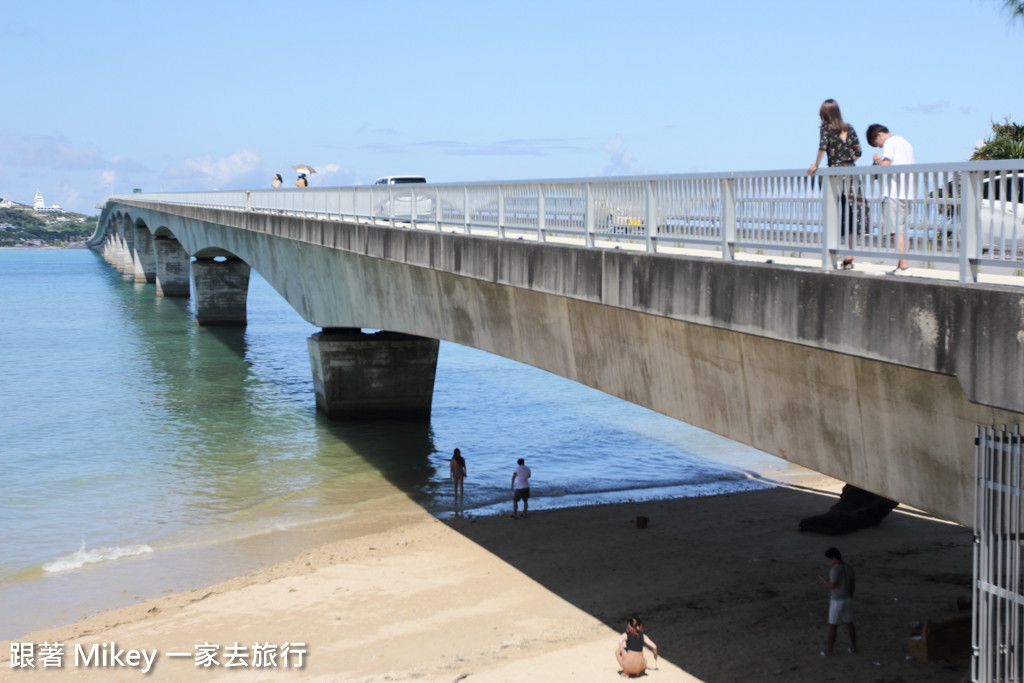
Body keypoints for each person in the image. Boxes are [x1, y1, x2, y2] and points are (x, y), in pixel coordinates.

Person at [807, 99, 865, 269]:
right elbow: (858, 152)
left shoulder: (826, 128)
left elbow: (822, 147)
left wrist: (816, 165)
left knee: (835, 212)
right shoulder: (849, 127)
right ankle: (850, 253)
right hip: (852, 174)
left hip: (836, 177)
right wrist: (847, 162)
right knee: (851, 213)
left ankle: (831, 252)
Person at [867, 124, 915, 274]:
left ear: (879, 135)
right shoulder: (905, 142)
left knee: (894, 230)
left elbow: (886, 164)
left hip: (895, 191)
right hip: (909, 192)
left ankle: (905, 265)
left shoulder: (890, 142)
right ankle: (901, 266)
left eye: (877, 144)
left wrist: (877, 160)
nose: (880, 146)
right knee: (903, 229)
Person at [820, 546, 857, 655]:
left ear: (833, 558)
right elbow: (852, 584)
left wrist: (825, 581)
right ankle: (853, 647)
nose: (829, 562)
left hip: (837, 600)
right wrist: (851, 595)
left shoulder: (835, 569)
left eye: (829, 559)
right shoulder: (849, 567)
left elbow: (832, 586)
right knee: (849, 624)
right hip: (847, 598)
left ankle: (830, 650)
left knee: (833, 625)